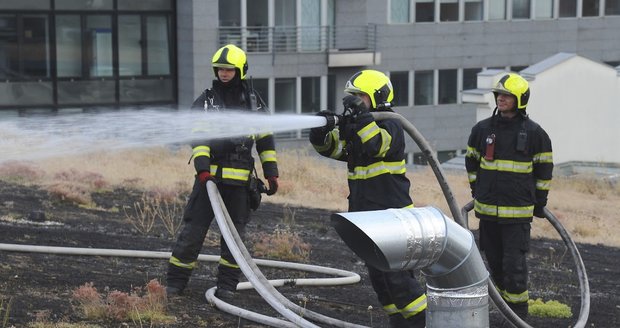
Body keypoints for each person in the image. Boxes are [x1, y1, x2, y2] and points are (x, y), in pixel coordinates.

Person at [309, 70, 427, 328]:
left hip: (393, 216)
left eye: (359, 97)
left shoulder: (392, 123)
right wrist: (321, 133)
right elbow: (336, 150)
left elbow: (376, 145)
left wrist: (360, 118)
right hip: (366, 216)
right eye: (351, 98)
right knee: (380, 280)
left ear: (377, 97)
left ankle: (425, 322)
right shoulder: (360, 126)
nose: (354, 103)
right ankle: (399, 323)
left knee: (398, 280)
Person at [166, 44, 279, 299]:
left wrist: (271, 172)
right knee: (192, 234)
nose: (224, 74)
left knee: (234, 242)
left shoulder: (254, 103)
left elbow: (266, 140)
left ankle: (227, 287)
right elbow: (198, 136)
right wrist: (203, 171)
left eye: (229, 69)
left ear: (240, 70)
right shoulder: (207, 101)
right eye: (220, 69)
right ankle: (175, 284)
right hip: (210, 183)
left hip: (240, 186)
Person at [465, 72, 553, 319]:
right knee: (494, 265)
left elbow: (544, 170)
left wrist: (540, 202)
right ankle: (504, 313)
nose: (501, 99)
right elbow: (471, 162)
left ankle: (518, 318)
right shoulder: (482, 130)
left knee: (514, 268)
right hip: (488, 214)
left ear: (520, 99)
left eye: (507, 95)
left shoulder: (535, 134)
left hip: (517, 217)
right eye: (499, 95)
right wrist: (477, 191)